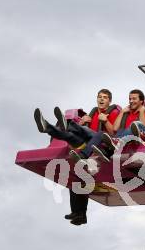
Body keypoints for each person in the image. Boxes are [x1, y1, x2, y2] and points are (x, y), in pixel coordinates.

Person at [33, 89, 119, 226]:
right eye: (99, 97)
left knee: (95, 133)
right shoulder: (92, 114)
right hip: (89, 144)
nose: (101, 99)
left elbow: (116, 132)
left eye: (105, 97)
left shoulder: (114, 113)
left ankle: (68, 127)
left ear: (110, 101)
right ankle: (47, 127)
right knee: (71, 138)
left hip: (105, 144)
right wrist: (83, 122)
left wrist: (106, 120)